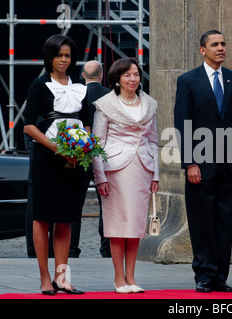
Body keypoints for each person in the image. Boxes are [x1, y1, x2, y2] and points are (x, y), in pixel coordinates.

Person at [174, 30, 232, 293]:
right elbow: (182, 124)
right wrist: (189, 163)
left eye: (223, 44)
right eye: (214, 44)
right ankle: (203, 275)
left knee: (224, 220)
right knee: (201, 221)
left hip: (228, 164)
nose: (221, 48)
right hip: (200, 166)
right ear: (203, 50)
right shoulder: (188, 81)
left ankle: (220, 276)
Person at [24, 34, 88, 295]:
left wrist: (82, 150)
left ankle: (63, 278)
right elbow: (28, 125)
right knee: (42, 218)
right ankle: (44, 278)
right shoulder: (39, 86)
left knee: (66, 219)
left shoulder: (80, 86)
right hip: (47, 158)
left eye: (68, 55)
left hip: (74, 159)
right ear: (49, 57)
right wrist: (58, 148)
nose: (64, 60)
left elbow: (86, 122)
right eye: (59, 55)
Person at [92, 58, 159, 294]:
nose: (133, 79)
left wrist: (155, 175)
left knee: (136, 226)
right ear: (117, 79)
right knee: (118, 226)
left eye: (136, 74)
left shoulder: (149, 104)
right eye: (127, 75)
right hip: (115, 169)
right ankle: (118, 278)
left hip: (142, 167)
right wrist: (99, 177)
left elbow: (154, 142)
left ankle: (131, 277)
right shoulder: (105, 105)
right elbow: (97, 143)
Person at [81, 60, 111, 258]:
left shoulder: (77, 95)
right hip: (105, 156)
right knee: (107, 204)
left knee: (74, 203)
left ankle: (71, 249)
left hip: (79, 155)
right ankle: (106, 248)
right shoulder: (111, 96)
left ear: (83, 76)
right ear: (102, 76)